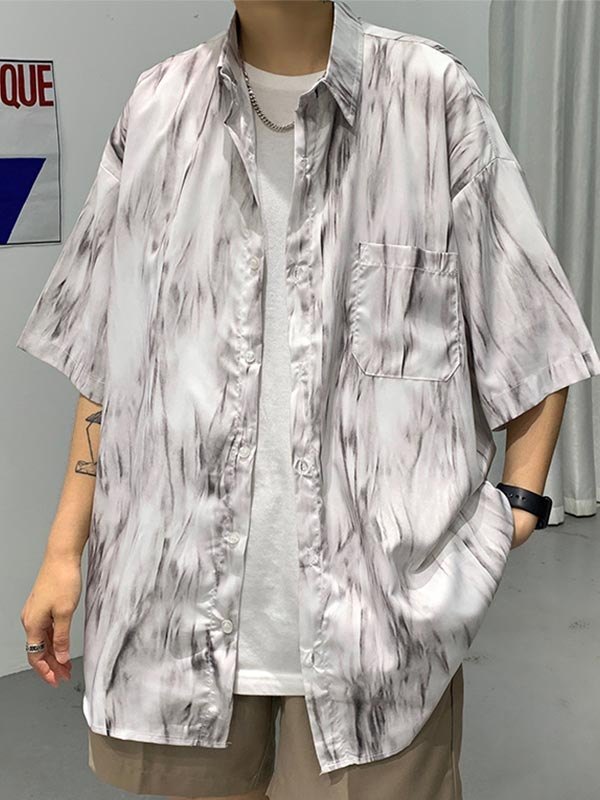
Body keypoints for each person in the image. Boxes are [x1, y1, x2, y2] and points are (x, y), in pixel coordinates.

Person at [16, 1, 600, 799]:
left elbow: (533, 328)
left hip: (379, 639)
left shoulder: (431, 98)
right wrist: (62, 549)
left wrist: (519, 506)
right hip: (172, 618)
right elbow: (108, 357)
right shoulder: (155, 110)